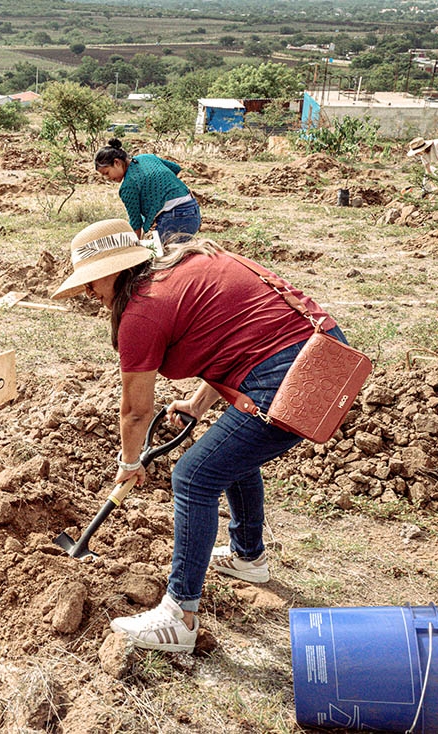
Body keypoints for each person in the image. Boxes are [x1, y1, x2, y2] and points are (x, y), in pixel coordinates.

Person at [51, 219, 349, 654]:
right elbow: (237, 341)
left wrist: (129, 463)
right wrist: (197, 404)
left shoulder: (142, 311)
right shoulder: (181, 268)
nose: (91, 296)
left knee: (193, 477)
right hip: (317, 353)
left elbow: (135, 411)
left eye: (91, 284)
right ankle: (248, 557)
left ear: (112, 271)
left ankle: (179, 617)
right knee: (228, 456)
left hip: (295, 375)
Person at [94, 138, 201, 244]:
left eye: (106, 173)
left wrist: (135, 249)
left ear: (116, 162)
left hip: (173, 219)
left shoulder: (128, 186)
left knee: (160, 257)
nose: (107, 178)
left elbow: (136, 224)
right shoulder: (147, 157)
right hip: (193, 210)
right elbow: (176, 168)